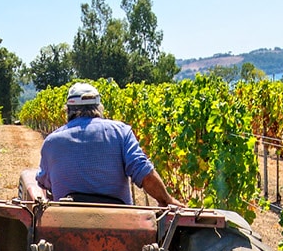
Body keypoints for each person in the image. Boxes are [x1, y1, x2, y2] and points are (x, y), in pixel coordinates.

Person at [22, 82, 175, 205]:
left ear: (68, 110)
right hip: (120, 223)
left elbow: (44, 183)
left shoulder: (51, 142)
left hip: (66, 223)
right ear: (99, 108)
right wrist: (166, 200)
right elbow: (144, 174)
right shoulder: (121, 132)